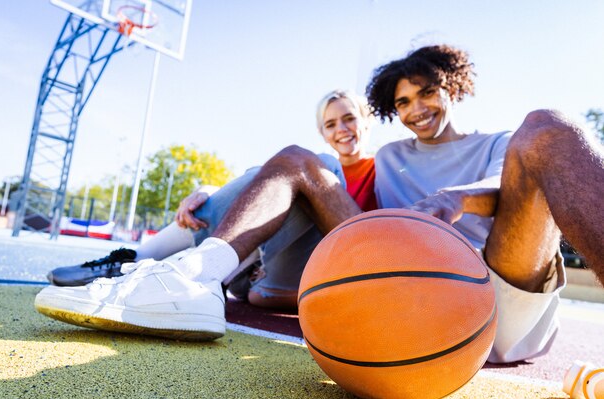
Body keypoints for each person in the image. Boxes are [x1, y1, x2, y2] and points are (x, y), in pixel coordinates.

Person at [35, 45, 604, 364]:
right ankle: (191, 278)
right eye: (402, 101)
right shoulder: (387, 156)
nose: (416, 108)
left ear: (452, 86)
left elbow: (522, 192)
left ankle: (219, 273)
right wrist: (215, 192)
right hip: (410, 295)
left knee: (551, 126)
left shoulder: (503, 146)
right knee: (299, 159)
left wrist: (453, 198)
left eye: (427, 91)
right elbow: (300, 180)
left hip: (498, 288)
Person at [45, 90, 377, 309]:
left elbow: (383, 235)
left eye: (349, 118)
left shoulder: (383, 169)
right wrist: (208, 189)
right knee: (286, 168)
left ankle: (174, 266)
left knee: (318, 165)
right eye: (331, 123)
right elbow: (263, 181)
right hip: (257, 269)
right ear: (323, 130)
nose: (342, 129)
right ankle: (135, 263)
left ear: (367, 120)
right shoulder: (304, 164)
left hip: (309, 273)